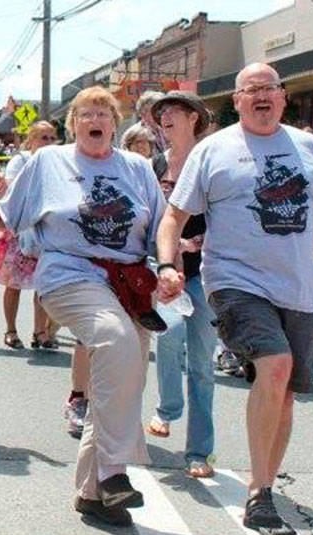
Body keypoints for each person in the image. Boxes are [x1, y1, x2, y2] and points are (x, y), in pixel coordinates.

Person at [157, 63, 313, 535]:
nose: (262, 96)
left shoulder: (310, 149)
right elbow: (173, 217)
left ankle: (261, 487)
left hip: (299, 288)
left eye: (270, 88)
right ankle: (262, 496)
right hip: (234, 282)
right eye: (251, 90)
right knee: (276, 363)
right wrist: (167, 264)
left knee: (285, 389)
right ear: (238, 100)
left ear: (283, 98)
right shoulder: (214, 149)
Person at [0, 86, 165, 528]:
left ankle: (92, 493)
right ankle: (115, 471)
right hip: (70, 275)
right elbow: (4, 215)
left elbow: (158, 228)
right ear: (72, 123)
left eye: (103, 113)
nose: (95, 119)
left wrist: (171, 265)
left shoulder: (137, 168)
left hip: (130, 282)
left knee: (124, 377)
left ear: (115, 124)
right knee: (115, 341)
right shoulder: (48, 162)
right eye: (85, 114)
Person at [144, 91, 218, 479]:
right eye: (161, 114)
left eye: (173, 111)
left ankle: (199, 451)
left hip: (207, 272)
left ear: (194, 118)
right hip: (166, 268)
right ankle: (167, 409)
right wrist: (166, 255)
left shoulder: (211, 160)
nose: (165, 118)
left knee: (203, 361)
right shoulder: (155, 164)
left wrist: (198, 243)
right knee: (169, 339)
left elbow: (228, 215)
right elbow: (152, 217)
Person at [0, 121, 55, 350]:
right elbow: (14, 193)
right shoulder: (19, 162)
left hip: (45, 229)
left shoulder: (58, 162)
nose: (49, 143)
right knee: (13, 284)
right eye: (44, 138)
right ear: (30, 141)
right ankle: (11, 330)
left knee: (43, 283)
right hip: (17, 230)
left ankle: (40, 332)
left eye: (52, 138)